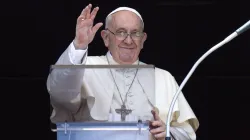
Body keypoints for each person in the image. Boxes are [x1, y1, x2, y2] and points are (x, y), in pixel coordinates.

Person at [47, 3, 199, 140]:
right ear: (106, 37)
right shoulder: (84, 67)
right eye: (120, 32)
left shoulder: (163, 77)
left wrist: (168, 132)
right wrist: (79, 45)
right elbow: (60, 94)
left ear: (143, 39)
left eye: (135, 33)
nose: (128, 40)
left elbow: (187, 134)